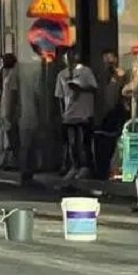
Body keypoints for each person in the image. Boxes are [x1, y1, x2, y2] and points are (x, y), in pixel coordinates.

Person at [55, 51, 97, 180]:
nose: (69, 59)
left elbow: (94, 88)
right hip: (69, 114)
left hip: (84, 113)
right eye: (66, 57)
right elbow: (60, 96)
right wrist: (62, 114)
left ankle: (86, 168)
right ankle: (74, 166)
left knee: (84, 141)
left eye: (72, 56)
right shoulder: (62, 75)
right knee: (72, 142)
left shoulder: (85, 71)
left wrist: (81, 89)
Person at [0, 54, 19, 169]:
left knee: (10, 137)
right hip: (4, 107)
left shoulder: (13, 75)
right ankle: (3, 160)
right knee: (4, 136)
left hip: (9, 110)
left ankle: (12, 161)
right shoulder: (7, 74)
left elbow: (13, 94)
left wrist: (10, 112)